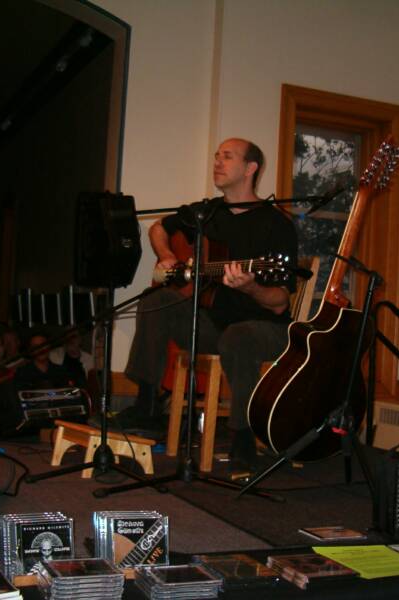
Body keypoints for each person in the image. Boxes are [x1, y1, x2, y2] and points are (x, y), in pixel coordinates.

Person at [123, 138, 298, 471]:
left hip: (265, 329)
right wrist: (168, 256)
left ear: (250, 168)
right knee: (156, 299)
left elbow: (279, 302)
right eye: (217, 156)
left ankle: (242, 437)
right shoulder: (205, 213)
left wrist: (252, 287)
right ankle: (146, 407)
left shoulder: (276, 224)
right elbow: (159, 228)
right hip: (212, 324)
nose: (217, 161)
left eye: (227, 157)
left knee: (238, 336)